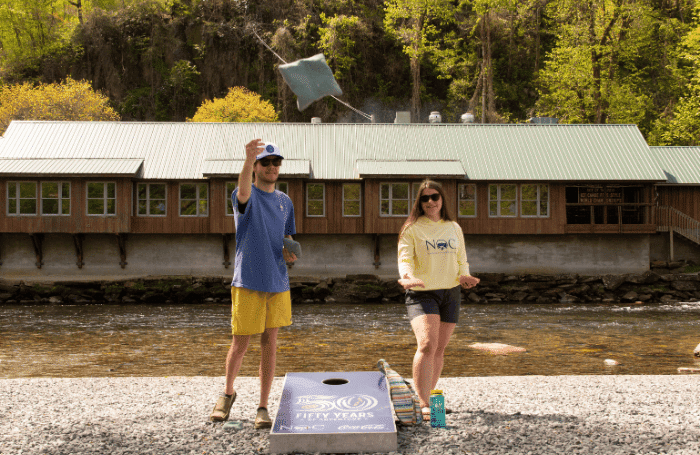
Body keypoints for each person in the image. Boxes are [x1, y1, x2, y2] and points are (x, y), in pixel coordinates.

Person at [210, 139, 297, 428]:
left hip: (278, 282)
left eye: (276, 162)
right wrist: (247, 159)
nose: (272, 167)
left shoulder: (286, 202)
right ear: (257, 167)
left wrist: (291, 252)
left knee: (270, 343)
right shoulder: (243, 195)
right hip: (247, 280)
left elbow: (288, 240)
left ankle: (263, 407)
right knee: (240, 343)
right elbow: (245, 190)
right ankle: (227, 394)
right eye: (265, 162)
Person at [397, 179, 480, 421]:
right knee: (426, 345)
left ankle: (433, 399)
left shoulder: (454, 227)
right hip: (422, 293)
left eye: (435, 197)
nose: (431, 201)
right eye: (425, 198)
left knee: (440, 348)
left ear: (442, 199)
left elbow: (461, 258)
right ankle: (422, 403)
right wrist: (407, 276)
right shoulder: (411, 229)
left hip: (451, 292)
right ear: (419, 203)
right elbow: (405, 259)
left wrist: (464, 275)